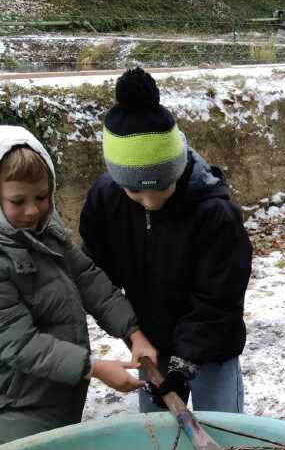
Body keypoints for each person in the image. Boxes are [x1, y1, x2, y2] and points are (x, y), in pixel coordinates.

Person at [0, 125, 157, 449]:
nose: (32, 210)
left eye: (41, 197)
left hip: (54, 387)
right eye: (18, 200)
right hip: (9, 407)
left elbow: (86, 277)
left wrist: (133, 331)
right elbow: (20, 344)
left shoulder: (40, 226)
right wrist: (94, 367)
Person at [79, 67, 252, 413]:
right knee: (158, 434)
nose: (149, 201)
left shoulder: (213, 213)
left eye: (161, 187)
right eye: (134, 191)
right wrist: (133, 335)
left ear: (177, 168)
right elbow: (95, 278)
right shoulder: (106, 201)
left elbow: (218, 300)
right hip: (152, 349)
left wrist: (185, 364)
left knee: (223, 429)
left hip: (212, 348)